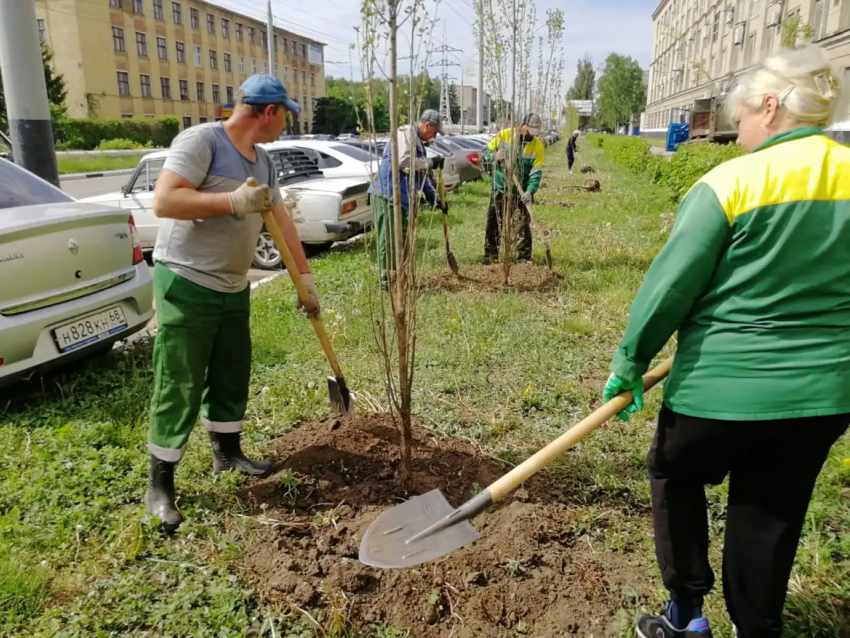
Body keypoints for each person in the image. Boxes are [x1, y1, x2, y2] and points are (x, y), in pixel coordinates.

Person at [602, 46, 850, 638]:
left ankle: (686, 612)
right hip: (822, 395)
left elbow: (670, 288)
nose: (737, 135)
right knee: (770, 513)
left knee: (675, 471)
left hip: (718, 393)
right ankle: (756, 627)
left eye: (740, 121)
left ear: (770, 107)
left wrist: (630, 362)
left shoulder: (731, 183)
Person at [145, 74, 320, 533]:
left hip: (231, 285)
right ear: (268, 112)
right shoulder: (201, 141)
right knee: (179, 381)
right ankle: (160, 483)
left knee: (230, 369)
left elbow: (280, 222)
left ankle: (228, 453)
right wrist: (231, 200)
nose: (286, 125)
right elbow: (164, 200)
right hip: (186, 281)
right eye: (285, 116)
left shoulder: (263, 161)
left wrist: (305, 279)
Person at [370, 109, 446, 290]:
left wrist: (433, 197)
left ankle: (399, 278)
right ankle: (386, 283)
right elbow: (403, 162)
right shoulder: (406, 133)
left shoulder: (418, 142)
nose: (434, 136)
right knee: (388, 240)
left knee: (401, 240)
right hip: (388, 194)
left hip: (401, 198)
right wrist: (430, 163)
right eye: (434, 132)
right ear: (427, 125)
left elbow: (420, 174)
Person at [481, 113, 545, 264]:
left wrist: (530, 191)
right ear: (522, 125)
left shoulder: (538, 146)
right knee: (494, 222)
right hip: (501, 187)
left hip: (521, 190)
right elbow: (486, 153)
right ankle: (491, 256)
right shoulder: (505, 135)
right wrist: (495, 155)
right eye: (528, 130)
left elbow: (536, 172)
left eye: (533, 132)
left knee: (522, 225)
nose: (530, 134)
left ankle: (523, 258)